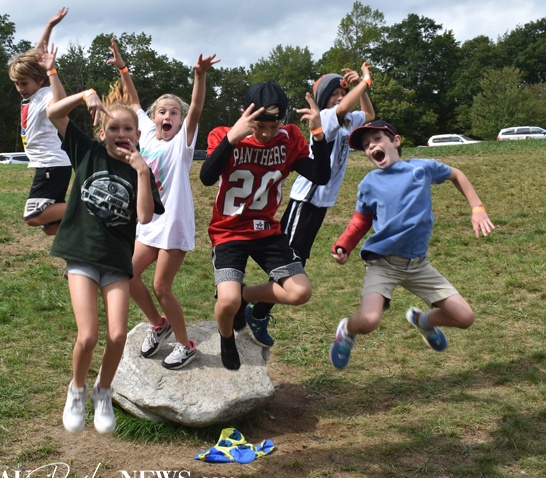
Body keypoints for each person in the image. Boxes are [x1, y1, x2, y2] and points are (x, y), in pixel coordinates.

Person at [42, 45, 164, 434]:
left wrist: (141, 172)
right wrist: (84, 94)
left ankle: (103, 391)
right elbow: (54, 113)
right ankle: (76, 389)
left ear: (138, 135)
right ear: (102, 132)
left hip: (116, 261)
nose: (121, 134)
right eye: (114, 128)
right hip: (81, 254)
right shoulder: (88, 152)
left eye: (128, 129)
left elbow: (144, 217)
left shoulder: (141, 170)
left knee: (117, 335)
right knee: (89, 335)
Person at [329, 120, 495, 370]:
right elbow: (361, 220)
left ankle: (423, 321)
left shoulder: (422, 168)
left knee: (465, 317)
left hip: (418, 264)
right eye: (366, 145)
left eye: (376, 139)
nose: (371, 146)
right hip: (383, 263)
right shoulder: (369, 183)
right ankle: (347, 330)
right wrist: (344, 245)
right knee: (369, 321)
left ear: (395, 141)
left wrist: (477, 208)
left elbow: (456, 174)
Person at [199, 82, 331, 370]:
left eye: (274, 126)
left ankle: (245, 295)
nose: (267, 133)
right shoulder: (224, 134)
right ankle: (226, 338)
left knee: (300, 292)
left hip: (266, 231)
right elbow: (206, 178)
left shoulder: (289, 137)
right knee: (227, 302)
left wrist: (319, 134)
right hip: (229, 231)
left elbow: (321, 176)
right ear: (245, 116)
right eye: (260, 126)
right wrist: (231, 139)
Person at [105, 38, 218, 369]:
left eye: (174, 112)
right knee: (125, 274)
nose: (168, 115)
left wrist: (199, 76)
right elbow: (133, 99)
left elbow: (196, 107)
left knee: (161, 286)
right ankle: (158, 324)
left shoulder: (182, 143)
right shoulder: (148, 134)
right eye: (162, 111)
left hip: (174, 224)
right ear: (153, 118)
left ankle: (185, 344)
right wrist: (123, 67)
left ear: (180, 121)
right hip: (150, 222)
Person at [247, 63, 376, 345]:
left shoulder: (347, 121)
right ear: (323, 100)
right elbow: (343, 109)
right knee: (291, 264)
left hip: (320, 205)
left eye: (343, 93)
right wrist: (365, 82)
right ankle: (252, 308)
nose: (340, 98)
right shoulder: (327, 118)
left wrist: (361, 88)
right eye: (334, 94)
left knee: (294, 262)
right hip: (305, 201)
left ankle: (252, 306)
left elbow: (369, 115)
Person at [7, 8, 71, 235]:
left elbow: (61, 103)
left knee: (33, 216)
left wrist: (52, 71)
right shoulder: (32, 95)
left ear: (40, 79)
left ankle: (89, 206)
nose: (19, 88)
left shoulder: (44, 95)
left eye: (23, 83)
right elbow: (34, 56)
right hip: (48, 165)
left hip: (51, 165)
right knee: (51, 228)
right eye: (17, 84)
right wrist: (49, 26)